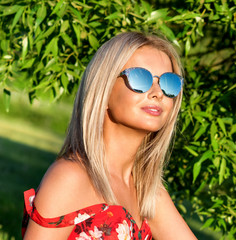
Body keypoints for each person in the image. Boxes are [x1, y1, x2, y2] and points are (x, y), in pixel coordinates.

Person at [22, 31, 197, 240]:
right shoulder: (71, 177)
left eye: (170, 83)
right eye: (140, 78)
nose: (158, 93)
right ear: (103, 90)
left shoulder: (148, 192)